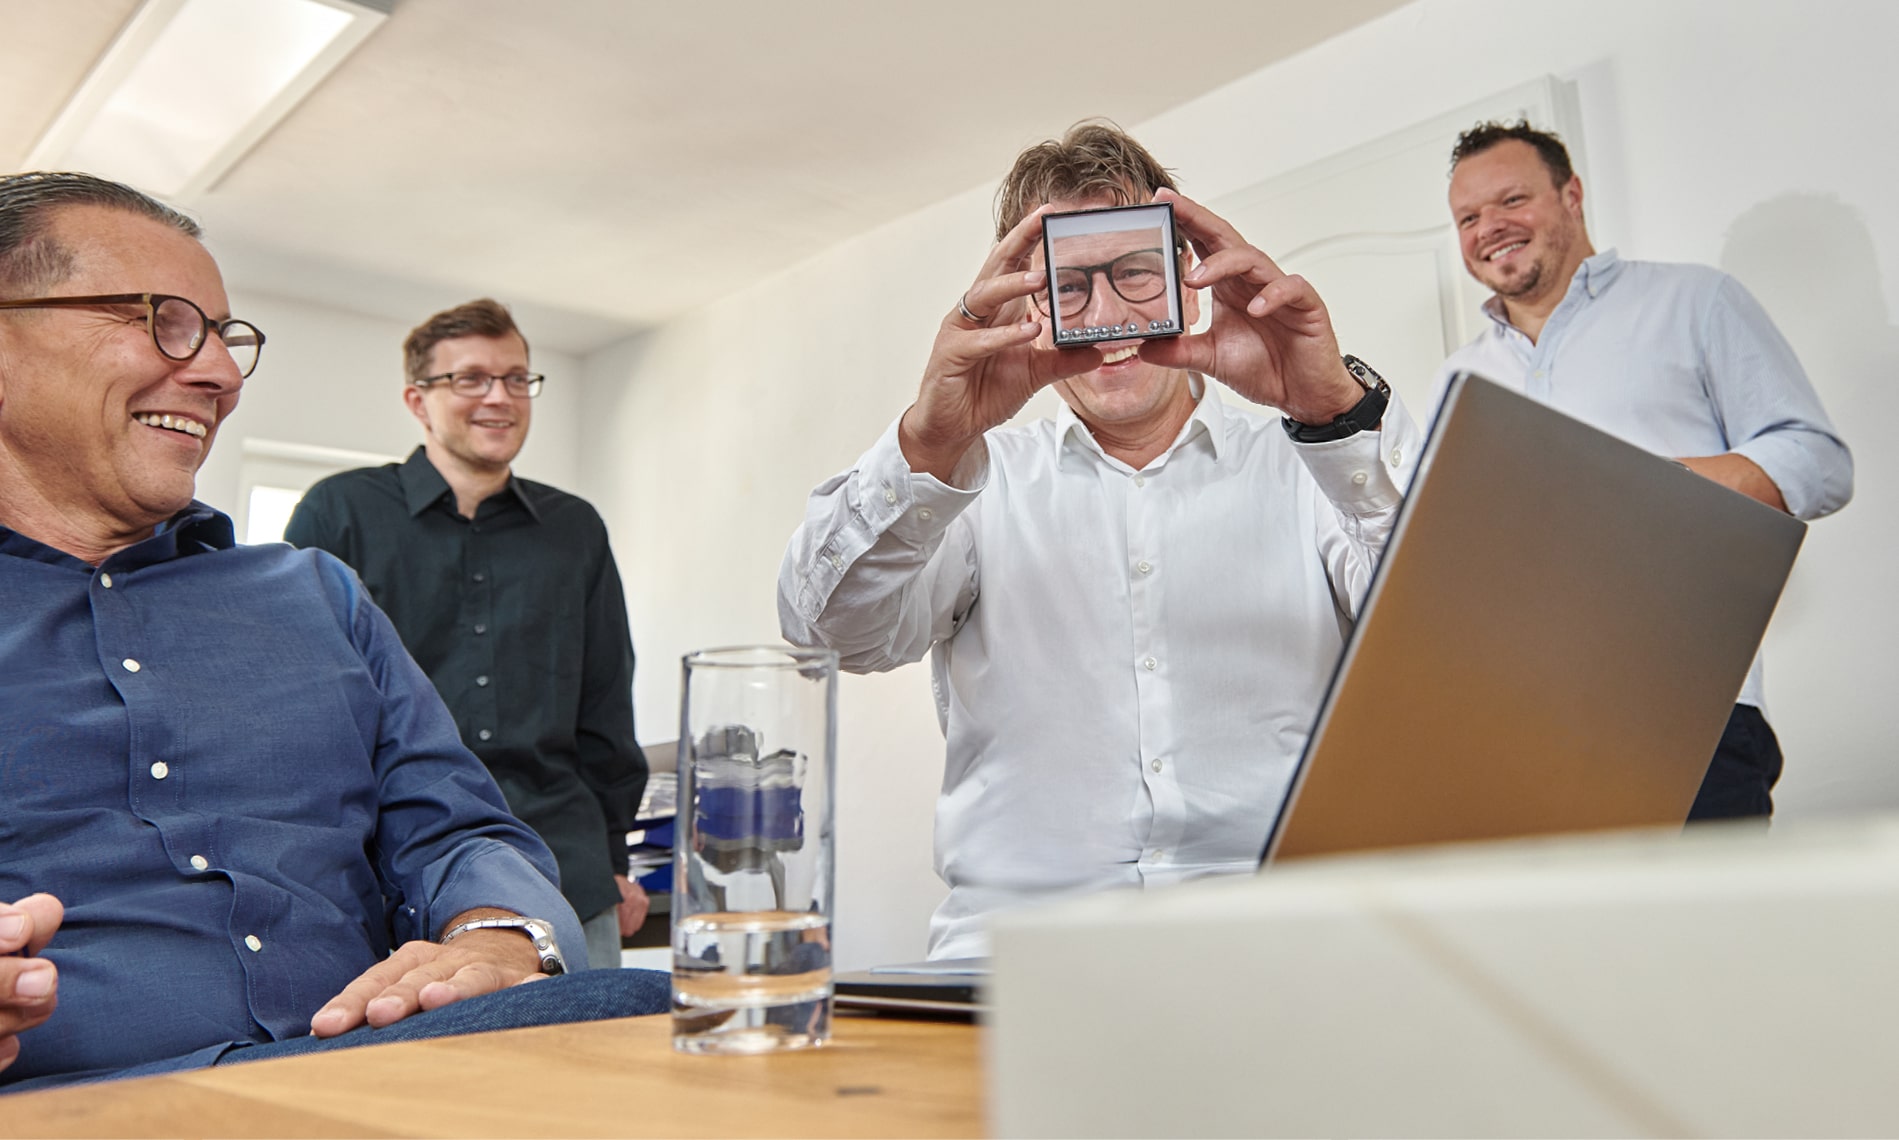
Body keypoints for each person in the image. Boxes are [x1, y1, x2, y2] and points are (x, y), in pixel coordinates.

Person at [0, 173, 667, 1093]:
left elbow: (460, 825)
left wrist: (503, 932)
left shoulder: (317, 595)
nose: (222, 375)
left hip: (371, 1073)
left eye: (227, 339)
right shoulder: (348, 510)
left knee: (669, 1012)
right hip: (65, 1101)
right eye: (160, 318)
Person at [777, 123, 1422, 959]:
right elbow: (826, 634)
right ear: (1023, 303)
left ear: (1185, 279)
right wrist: (927, 446)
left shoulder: (1311, 464)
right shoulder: (971, 482)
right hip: (1012, 957)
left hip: (1279, 950)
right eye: (1069, 285)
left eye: (1134, 272)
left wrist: (1334, 411)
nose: (1109, 315)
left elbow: (1452, 647)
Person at [1431, 120, 1854, 820]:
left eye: (1511, 200)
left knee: (1708, 931)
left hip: (1684, 712)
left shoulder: (1692, 302)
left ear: (1571, 194)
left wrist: (1635, 490)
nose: (1489, 228)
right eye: (1467, 217)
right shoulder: (1456, 379)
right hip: (1517, 728)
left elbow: (1815, 460)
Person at [285, 300, 651, 971]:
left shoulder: (575, 530)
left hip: (566, 871)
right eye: (471, 379)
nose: (500, 397)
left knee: (592, 1068)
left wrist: (612, 861)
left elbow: (605, 709)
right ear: (418, 400)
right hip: (397, 872)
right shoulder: (339, 511)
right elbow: (296, 706)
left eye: (517, 379)